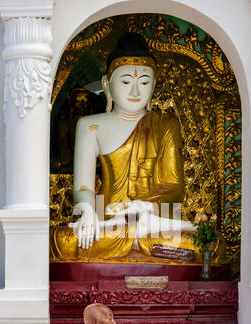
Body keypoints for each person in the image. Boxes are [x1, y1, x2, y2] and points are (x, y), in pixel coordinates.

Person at [50, 32, 204, 262]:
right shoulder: (90, 126)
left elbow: (175, 186)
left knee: (207, 244)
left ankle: (142, 242)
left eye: (143, 82)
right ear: (106, 85)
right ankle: (148, 248)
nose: (135, 92)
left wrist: (146, 205)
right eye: (125, 82)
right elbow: (84, 185)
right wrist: (88, 210)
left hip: (151, 224)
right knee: (60, 242)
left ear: (154, 86)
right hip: (107, 224)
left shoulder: (167, 124)